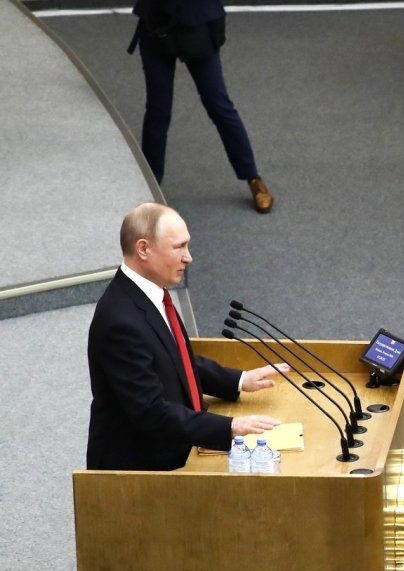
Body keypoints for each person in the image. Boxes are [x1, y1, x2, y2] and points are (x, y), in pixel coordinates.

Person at [87, 203, 286, 471]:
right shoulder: (120, 321)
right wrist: (230, 426)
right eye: (178, 247)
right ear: (143, 249)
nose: (188, 257)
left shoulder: (150, 294)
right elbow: (151, 412)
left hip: (173, 447)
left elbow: (174, 359)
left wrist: (239, 380)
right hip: (141, 470)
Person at [129, 0, 273, 213]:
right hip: (156, 21)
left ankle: (253, 177)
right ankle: (150, 186)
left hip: (198, 22)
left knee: (219, 105)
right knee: (158, 110)